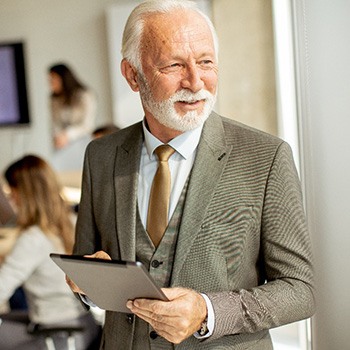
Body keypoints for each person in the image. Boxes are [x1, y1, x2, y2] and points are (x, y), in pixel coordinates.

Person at [68, 0, 315, 349]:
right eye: (174, 65)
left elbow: (299, 290)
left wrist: (207, 311)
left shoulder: (265, 157)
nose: (196, 82)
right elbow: (86, 267)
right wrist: (89, 286)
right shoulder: (101, 155)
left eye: (206, 62)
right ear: (132, 75)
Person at [0, 155, 99, 350]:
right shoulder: (73, 222)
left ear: (25, 195)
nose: (11, 200)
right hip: (86, 325)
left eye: (12, 194)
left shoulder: (33, 238)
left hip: (59, 335)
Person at [49, 63, 97, 150]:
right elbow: (55, 124)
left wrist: (67, 135)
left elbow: (87, 125)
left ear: (63, 79)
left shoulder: (84, 96)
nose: (50, 84)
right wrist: (59, 137)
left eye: (53, 80)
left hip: (83, 142)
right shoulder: (54, 99)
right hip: (61, 146)